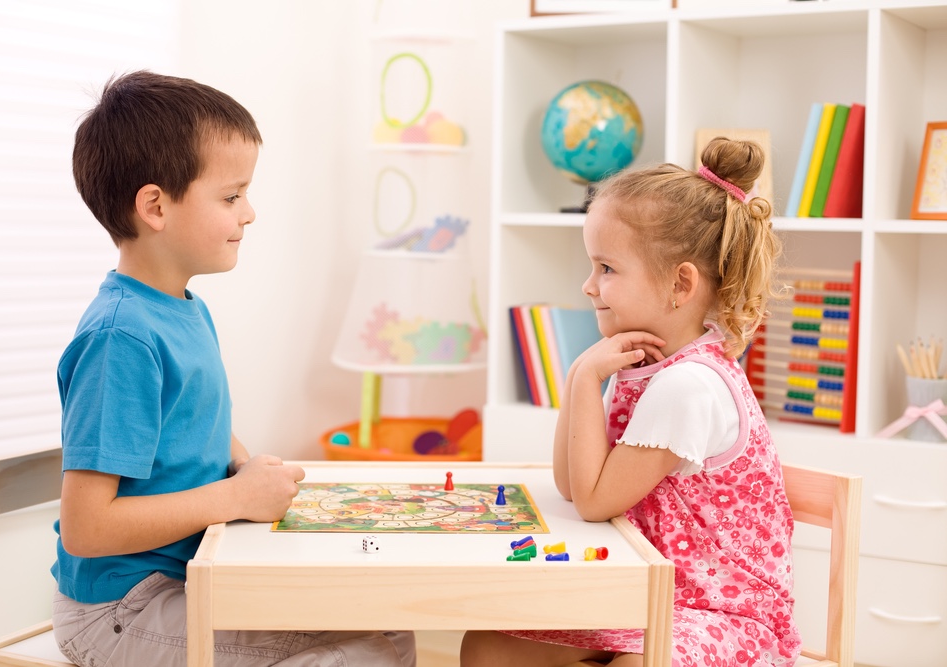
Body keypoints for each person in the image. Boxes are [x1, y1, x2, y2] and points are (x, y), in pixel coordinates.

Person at [52, 70, 415, 667]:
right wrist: (233, 495)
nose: (249, 213)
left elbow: (196, 422)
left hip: (181, 579)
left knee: (387, 627)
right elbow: (87, 528)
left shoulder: (181, 309)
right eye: (231, 195)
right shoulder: (121, 337)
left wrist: (246, 466)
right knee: (367, 651)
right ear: (155, 206)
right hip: (120, 613)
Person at [461, 137, 802, 667]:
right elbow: (574, 486)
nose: (589, 285)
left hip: (722, 616)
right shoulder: (645, 364)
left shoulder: (687, 386)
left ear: (680, 283)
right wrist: (584, 374)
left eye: (607, 268)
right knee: (488, 645)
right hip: (648, 597)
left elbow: (595, 502)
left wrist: (582, 381)